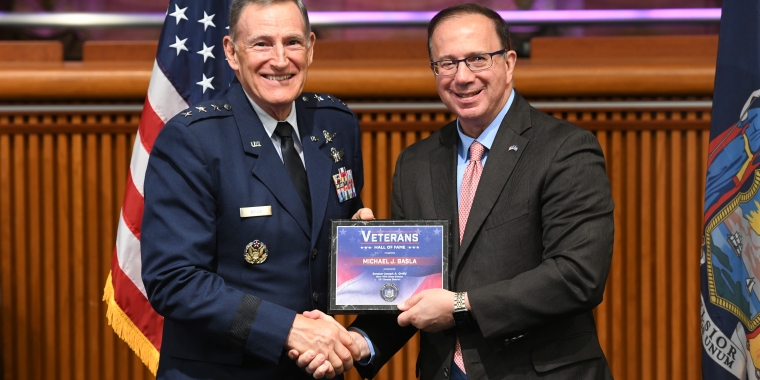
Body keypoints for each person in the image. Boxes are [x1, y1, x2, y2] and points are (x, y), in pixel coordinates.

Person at [295, 3, 614, 379]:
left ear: (509, 62)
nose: (462, 77)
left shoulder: (566, 149)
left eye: (478, 59)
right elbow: (411, 287)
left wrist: (462, 305)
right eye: (446, 63)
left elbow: (577, 276)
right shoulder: (417, 163)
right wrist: (360, 342)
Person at [140, 0, 369, 378]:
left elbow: (320, 242)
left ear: (311, 47)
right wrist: (289, 330)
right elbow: (173, 280)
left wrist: (366, 248)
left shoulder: (335, 123)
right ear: (231, 51)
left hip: (316, 369)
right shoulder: (192, 140)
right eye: (261, 44)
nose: (280, 60)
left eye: (292, 42)